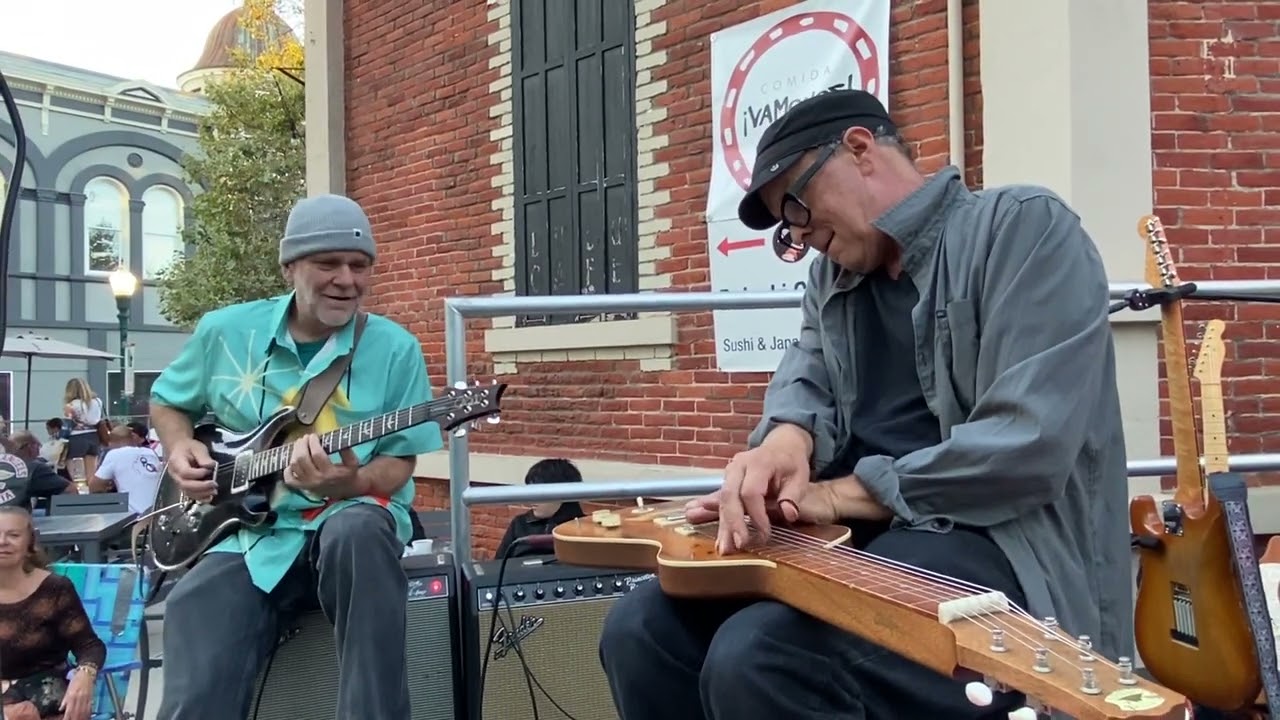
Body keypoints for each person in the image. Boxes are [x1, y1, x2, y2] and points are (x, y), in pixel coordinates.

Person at [597, 90, 1129, 720]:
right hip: (859, 540)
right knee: (640, 631)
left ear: (858, 149)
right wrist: (780, 446)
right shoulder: (831, 279)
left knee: (762, 659)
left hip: (1002, 546)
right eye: (787, 227)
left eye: (796, 205)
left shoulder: (1022, 228)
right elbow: (805, 379)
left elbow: (1026, 447)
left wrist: (828, 495)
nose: (800, 234)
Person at [149, 194, 444, 720]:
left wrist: (344, 485)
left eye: (359, 266)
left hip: (349, 522)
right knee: (193, 607)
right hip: (247, 534)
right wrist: (180, 446)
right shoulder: (224, 331)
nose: (346, 280)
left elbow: (399, 464)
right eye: (327, 263)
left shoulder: (395, 349)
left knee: (359, 532)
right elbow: (169, 401)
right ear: (290, 267)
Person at [0, 506, 104, 720]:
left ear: (29, 544)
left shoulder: (54, 589)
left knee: (23, 713)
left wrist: (85, 674)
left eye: (13, 535)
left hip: (45, 688)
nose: (2, 541)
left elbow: (89, 646)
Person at [495, 458, 585, 559]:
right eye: (531, 492)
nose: (532, 500)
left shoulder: (586, 528)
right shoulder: (520, 524)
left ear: (563, 494)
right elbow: (497, 565)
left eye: (539, 493)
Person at [87, 426, 161, 515]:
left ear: (111, 442)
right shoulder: (149, 452)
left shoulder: (114, 454)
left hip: (135, 517)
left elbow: (94, 487)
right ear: (132, 438)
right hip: (158, 514)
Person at [2, 431, 75, 507]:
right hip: (15, 517)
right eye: (38, 446)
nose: (39, 451)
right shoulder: (33, 467)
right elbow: (70, 490)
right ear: (31, 447)